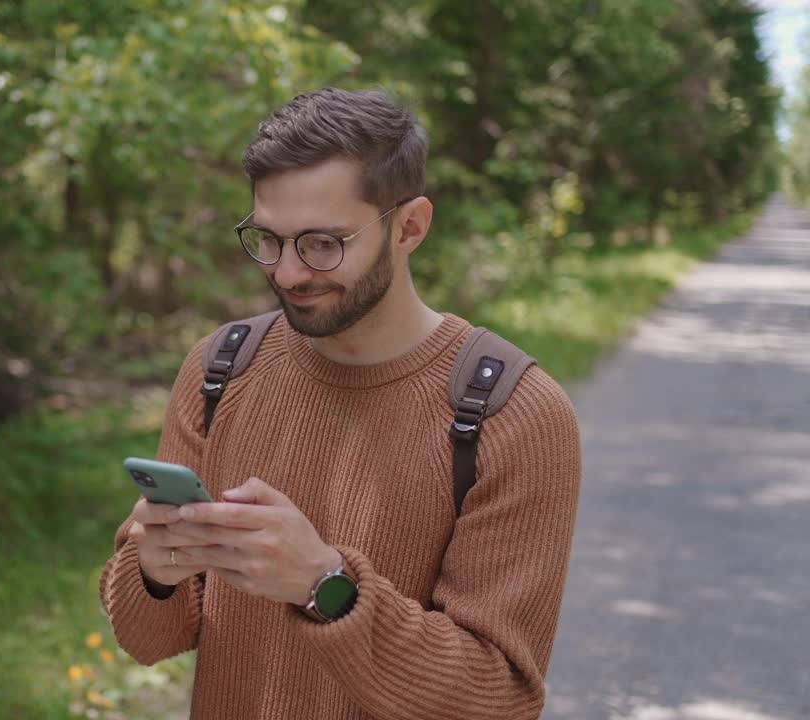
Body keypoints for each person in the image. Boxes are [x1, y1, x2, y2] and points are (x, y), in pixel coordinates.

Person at [97, 87, 582, 719]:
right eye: (267, 239)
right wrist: (154, 574)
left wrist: (324, 586)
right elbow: (149, 639)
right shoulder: (220, 368)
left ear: (409, 227)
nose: (288, 274)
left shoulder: (514, 413)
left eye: (322, 244)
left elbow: (496, 697)